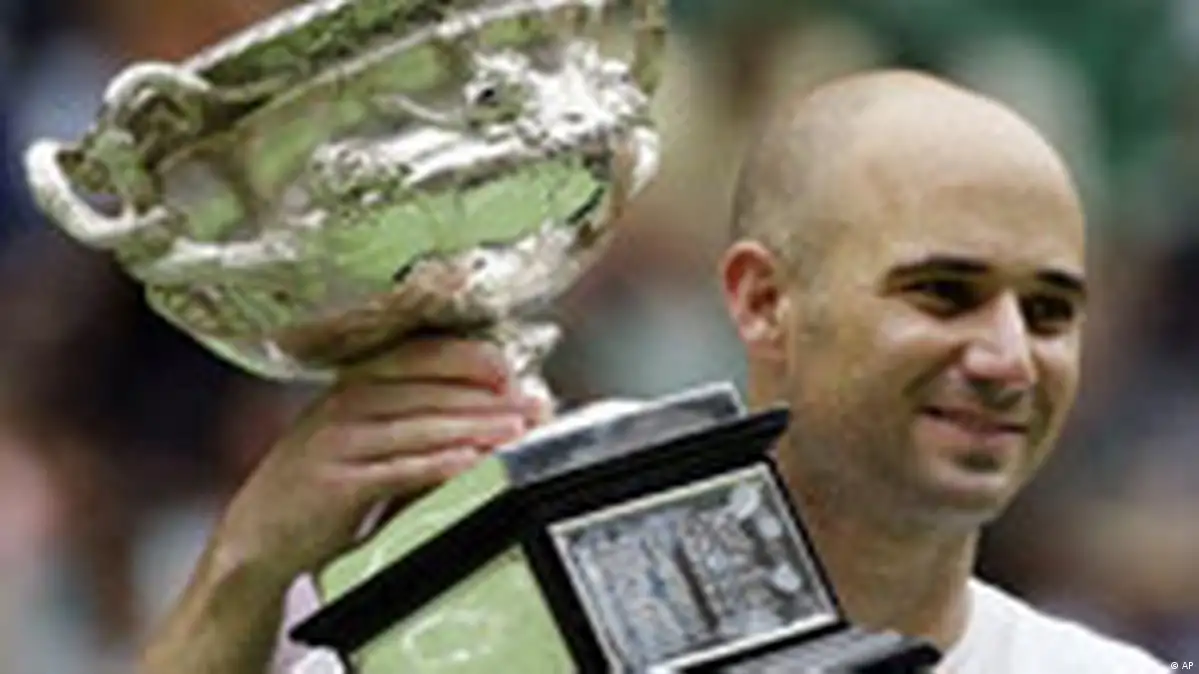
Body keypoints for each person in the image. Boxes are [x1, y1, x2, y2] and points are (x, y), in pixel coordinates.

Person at [135, 70, 1169, 673]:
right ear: (762, 300)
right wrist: (247, 565)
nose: (1005, 358)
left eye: (1048, 313)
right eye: (941, 293)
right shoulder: (531, 546)